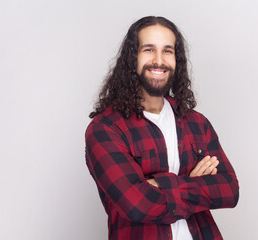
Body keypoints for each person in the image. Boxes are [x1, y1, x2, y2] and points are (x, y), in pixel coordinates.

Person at [85, 16, 239, 240]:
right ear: (132, 58)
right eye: (148, 49)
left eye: (168, 51)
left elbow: (229, 189)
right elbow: (136, 205)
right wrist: (196, 184)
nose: (159, 60)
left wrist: (158, 184)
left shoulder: (196, 123)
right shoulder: (105, 129)